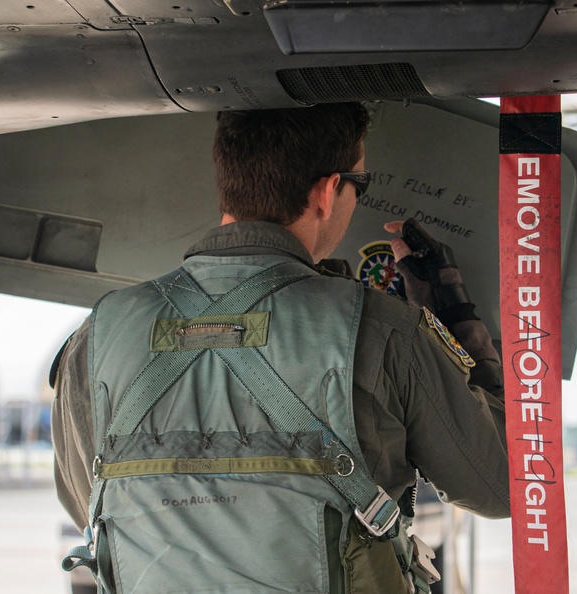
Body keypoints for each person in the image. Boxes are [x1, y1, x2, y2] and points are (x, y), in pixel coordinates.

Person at [50, 103, 508, 594]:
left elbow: (92, 503)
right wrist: (458, 329)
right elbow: (498, 485)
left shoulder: (96, 335)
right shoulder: (383, 327)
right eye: (359, 185)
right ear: (327, 191)